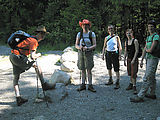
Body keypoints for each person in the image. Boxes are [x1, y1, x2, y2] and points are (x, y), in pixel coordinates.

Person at [9, 26, 55, 106]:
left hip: (13, 56)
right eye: (44, 35)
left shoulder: (29, 39)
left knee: (16, 77)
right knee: (37, 66)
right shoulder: (33, 41)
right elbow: (32, 56)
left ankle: (18, 98)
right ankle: (44, 85)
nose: (44, 37)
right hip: (18, 57)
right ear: (41, 34)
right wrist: (39, 54)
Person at [130, 20, 160, 102]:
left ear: (154, 27)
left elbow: (150, 50)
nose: (150, 28)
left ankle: (140, 96)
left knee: (147, 77)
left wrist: (147, 50)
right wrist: (142, 60)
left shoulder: (156, 37)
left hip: (153, 59)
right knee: (152, 77)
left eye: (152, 26)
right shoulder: (148, 37)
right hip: (148, 59)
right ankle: (152, 93)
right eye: (149, 26)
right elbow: (145, 50)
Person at [75, 19, 96, 92]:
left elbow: (94, 45)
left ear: (88, 26)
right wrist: (79, 47)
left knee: (89, 69)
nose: (85, 26)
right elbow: (76, 45)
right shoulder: (79, 34)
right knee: (82, 69)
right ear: (81, 26)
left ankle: (90, 85)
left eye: (86, 25)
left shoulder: (92, 34)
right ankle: (83, 84)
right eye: (83, 25)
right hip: (81, 53)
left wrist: (88, 48)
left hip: (89, 53)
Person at [102, 25, 122, 89]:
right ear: (108, 30)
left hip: (115, 53)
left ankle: (117, 82)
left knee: (116, 68)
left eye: (111, 29)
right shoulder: (106, 38)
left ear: (114, 30)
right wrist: (102, 54)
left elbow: (120, 46)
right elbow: (104, 46)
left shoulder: (116, 37)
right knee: (109, 67)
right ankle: (110, 80)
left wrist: (120, 55)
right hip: (108, 53)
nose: (110, 30)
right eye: (109, 29)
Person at [124, 29, 139, 94]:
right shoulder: (126, 41)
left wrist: (134, 59)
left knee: (134, 73)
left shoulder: (135, 41)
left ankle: (134, 86)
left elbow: (137, 50)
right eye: (127, 33)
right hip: (129, 59)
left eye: (129, 33)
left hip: (134, 59)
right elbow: (126, 51)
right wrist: (124, 59)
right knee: (130, 72)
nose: (128, 34)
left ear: (132, 33)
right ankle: (131, 84)